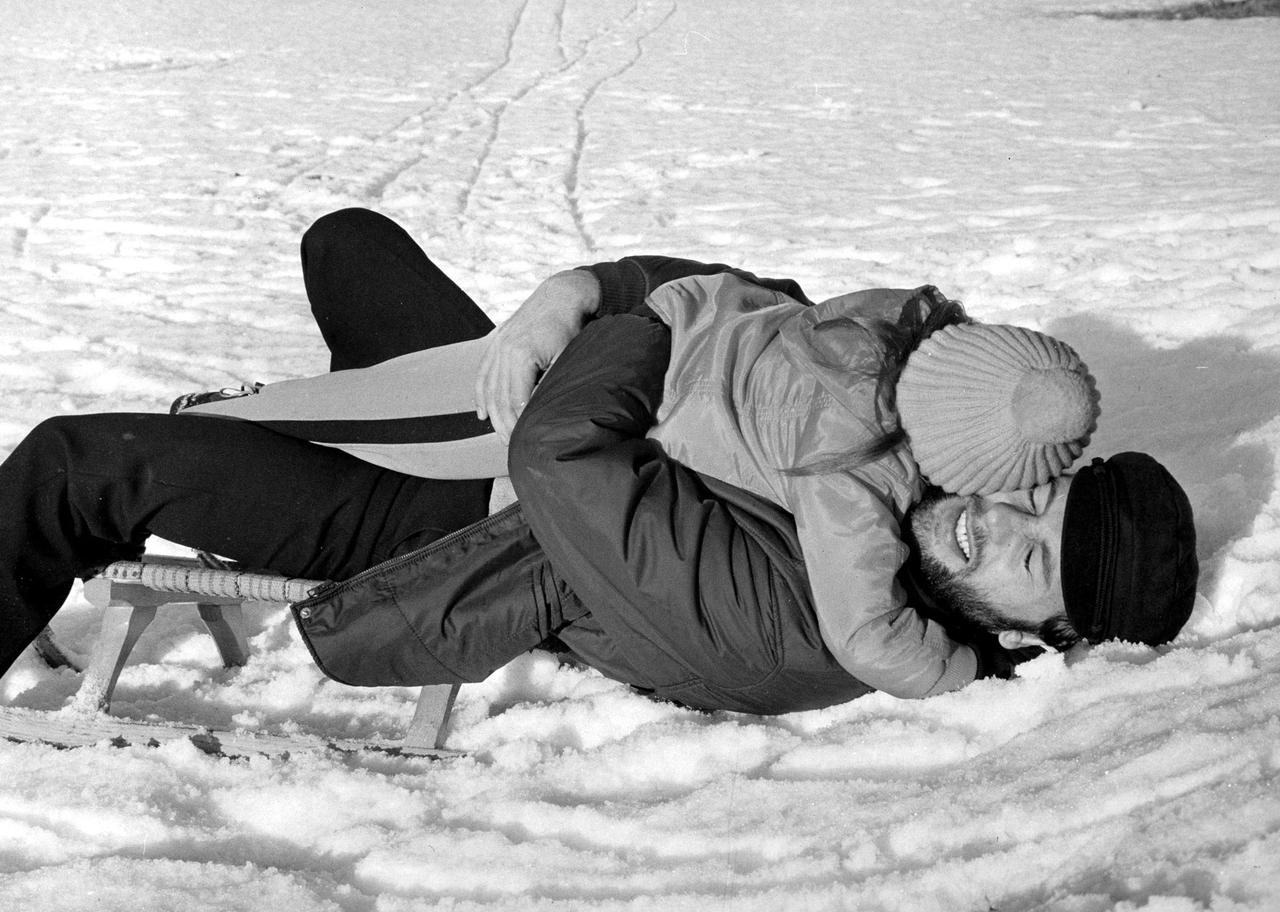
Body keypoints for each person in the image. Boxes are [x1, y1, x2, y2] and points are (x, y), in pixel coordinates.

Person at [0, 209, 1199, 714]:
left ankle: (262, 440)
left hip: (452, 524)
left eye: (1027, 561)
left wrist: (612, 311)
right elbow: (771, 309)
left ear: (1035, 634)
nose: (996, 520)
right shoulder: (924, 454)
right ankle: (305, 408)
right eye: (1033, 498)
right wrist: (577, 301)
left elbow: (562, 456)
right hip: (523, 435)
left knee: (76, 464)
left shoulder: (790, 621)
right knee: (349, 245)